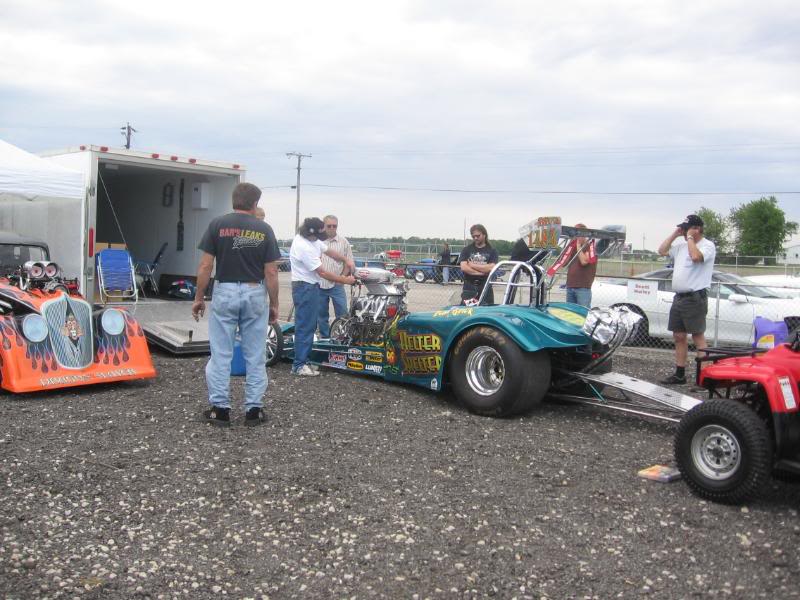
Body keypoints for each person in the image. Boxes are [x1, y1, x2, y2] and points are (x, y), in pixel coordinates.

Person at [191, 183, 281, 427]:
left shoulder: (217, 225)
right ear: (254, 204)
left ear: (234, 201)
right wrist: (274, 303)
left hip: (225, 289)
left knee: (221, 353)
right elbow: (271, 272)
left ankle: (220, 409)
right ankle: (254, 410)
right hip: (254, 290)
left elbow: (205, 266)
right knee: (255, 354)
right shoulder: (264, 229)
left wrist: (199, 297)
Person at [291, 217, 356, 376]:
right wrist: (344, 280)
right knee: (305, 326)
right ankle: (299, 365)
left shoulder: (313, 240)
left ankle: (304, 361)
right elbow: (323, 272)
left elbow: (328, 250)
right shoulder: (303, 246)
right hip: (305, 287)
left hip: (311, 286)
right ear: (312, 232)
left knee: (310, 325)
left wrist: (345, 259)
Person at [657, 214, 716, 385]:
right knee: (678, 335)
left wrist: (690, 237)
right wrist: (675, 234)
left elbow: (696, 257)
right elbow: (662, 251)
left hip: (695, 297)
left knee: (698, 336)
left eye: (687, 228)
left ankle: (705, 376)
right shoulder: (681, 246)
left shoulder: (708, 246)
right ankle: (680, 373)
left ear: (697, 229)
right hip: (679, 298)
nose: (684, 232)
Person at [318, 215, 354, 338]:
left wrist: (342, 279)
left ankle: (341, 337)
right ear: (324, 226)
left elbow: (348, 263)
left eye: (335, 226)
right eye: (329, 226)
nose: (332, 228)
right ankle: (325, 339)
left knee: (343, 314)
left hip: (337, 285)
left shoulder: (344, 242)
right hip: (320, 284)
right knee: (321, 315)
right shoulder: (318, 242)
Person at [459, 224, 499, 305]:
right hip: (469, 288)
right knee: (468, 312)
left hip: (485, 287)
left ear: (484, 235)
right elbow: (464, 267)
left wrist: (473, 265)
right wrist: (482, 272)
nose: (475, 238)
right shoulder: (466, 250)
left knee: (486, 312)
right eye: (473, 236)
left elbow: (491, 268)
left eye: (478, 236)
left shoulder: (492, 251)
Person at [565, 223, 597, 308]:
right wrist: (569, 245)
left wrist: (578, 246)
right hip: (570, 286)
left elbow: (584, 261)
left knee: (583, 313)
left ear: (584, 235)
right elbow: (564, 263)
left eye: (577, 234)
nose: (575, 237)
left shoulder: (590, 247)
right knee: (570, 313)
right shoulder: (572, 248)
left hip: (583, 288)